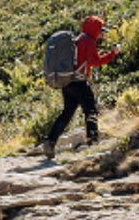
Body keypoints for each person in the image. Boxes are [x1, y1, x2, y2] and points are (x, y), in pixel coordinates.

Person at [37, 16, 118, 159]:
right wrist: (112, 54)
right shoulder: (88, 41)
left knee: (66, 114)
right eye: (100, 30)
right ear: (95, 29)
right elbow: (95, 61)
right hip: (80, 83)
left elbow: (84, 59)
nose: (101, 34)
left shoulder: (79, 39)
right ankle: (93, 142)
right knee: (90, 111)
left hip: (68, 82)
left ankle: (50, 141)